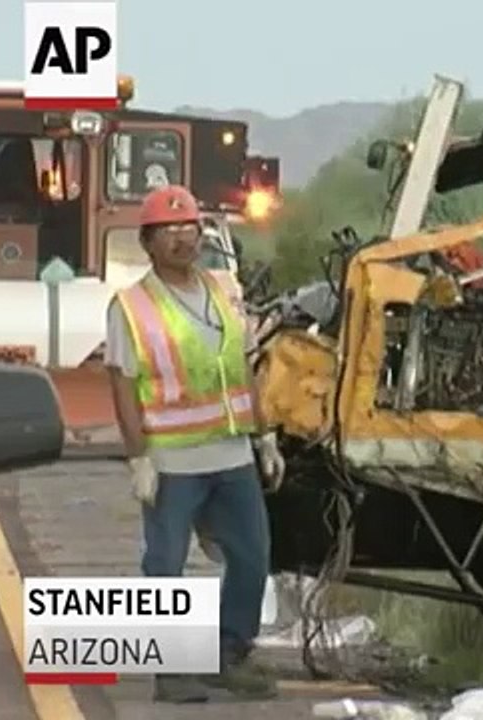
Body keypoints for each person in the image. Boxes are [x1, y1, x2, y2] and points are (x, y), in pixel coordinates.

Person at [105, 184, 285, 703]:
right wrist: (138, 457)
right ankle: (171, 672)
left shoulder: (223, 292)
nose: (183, 239)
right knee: (165, 564)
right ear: (147, 243)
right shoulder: (131, 306)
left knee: (252, 555)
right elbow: (121, 385)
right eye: (170, 231)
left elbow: (243, 368)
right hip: (172, 459)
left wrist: (264, 437)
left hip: (231, 454)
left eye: (190, 228)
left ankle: (227, 653)